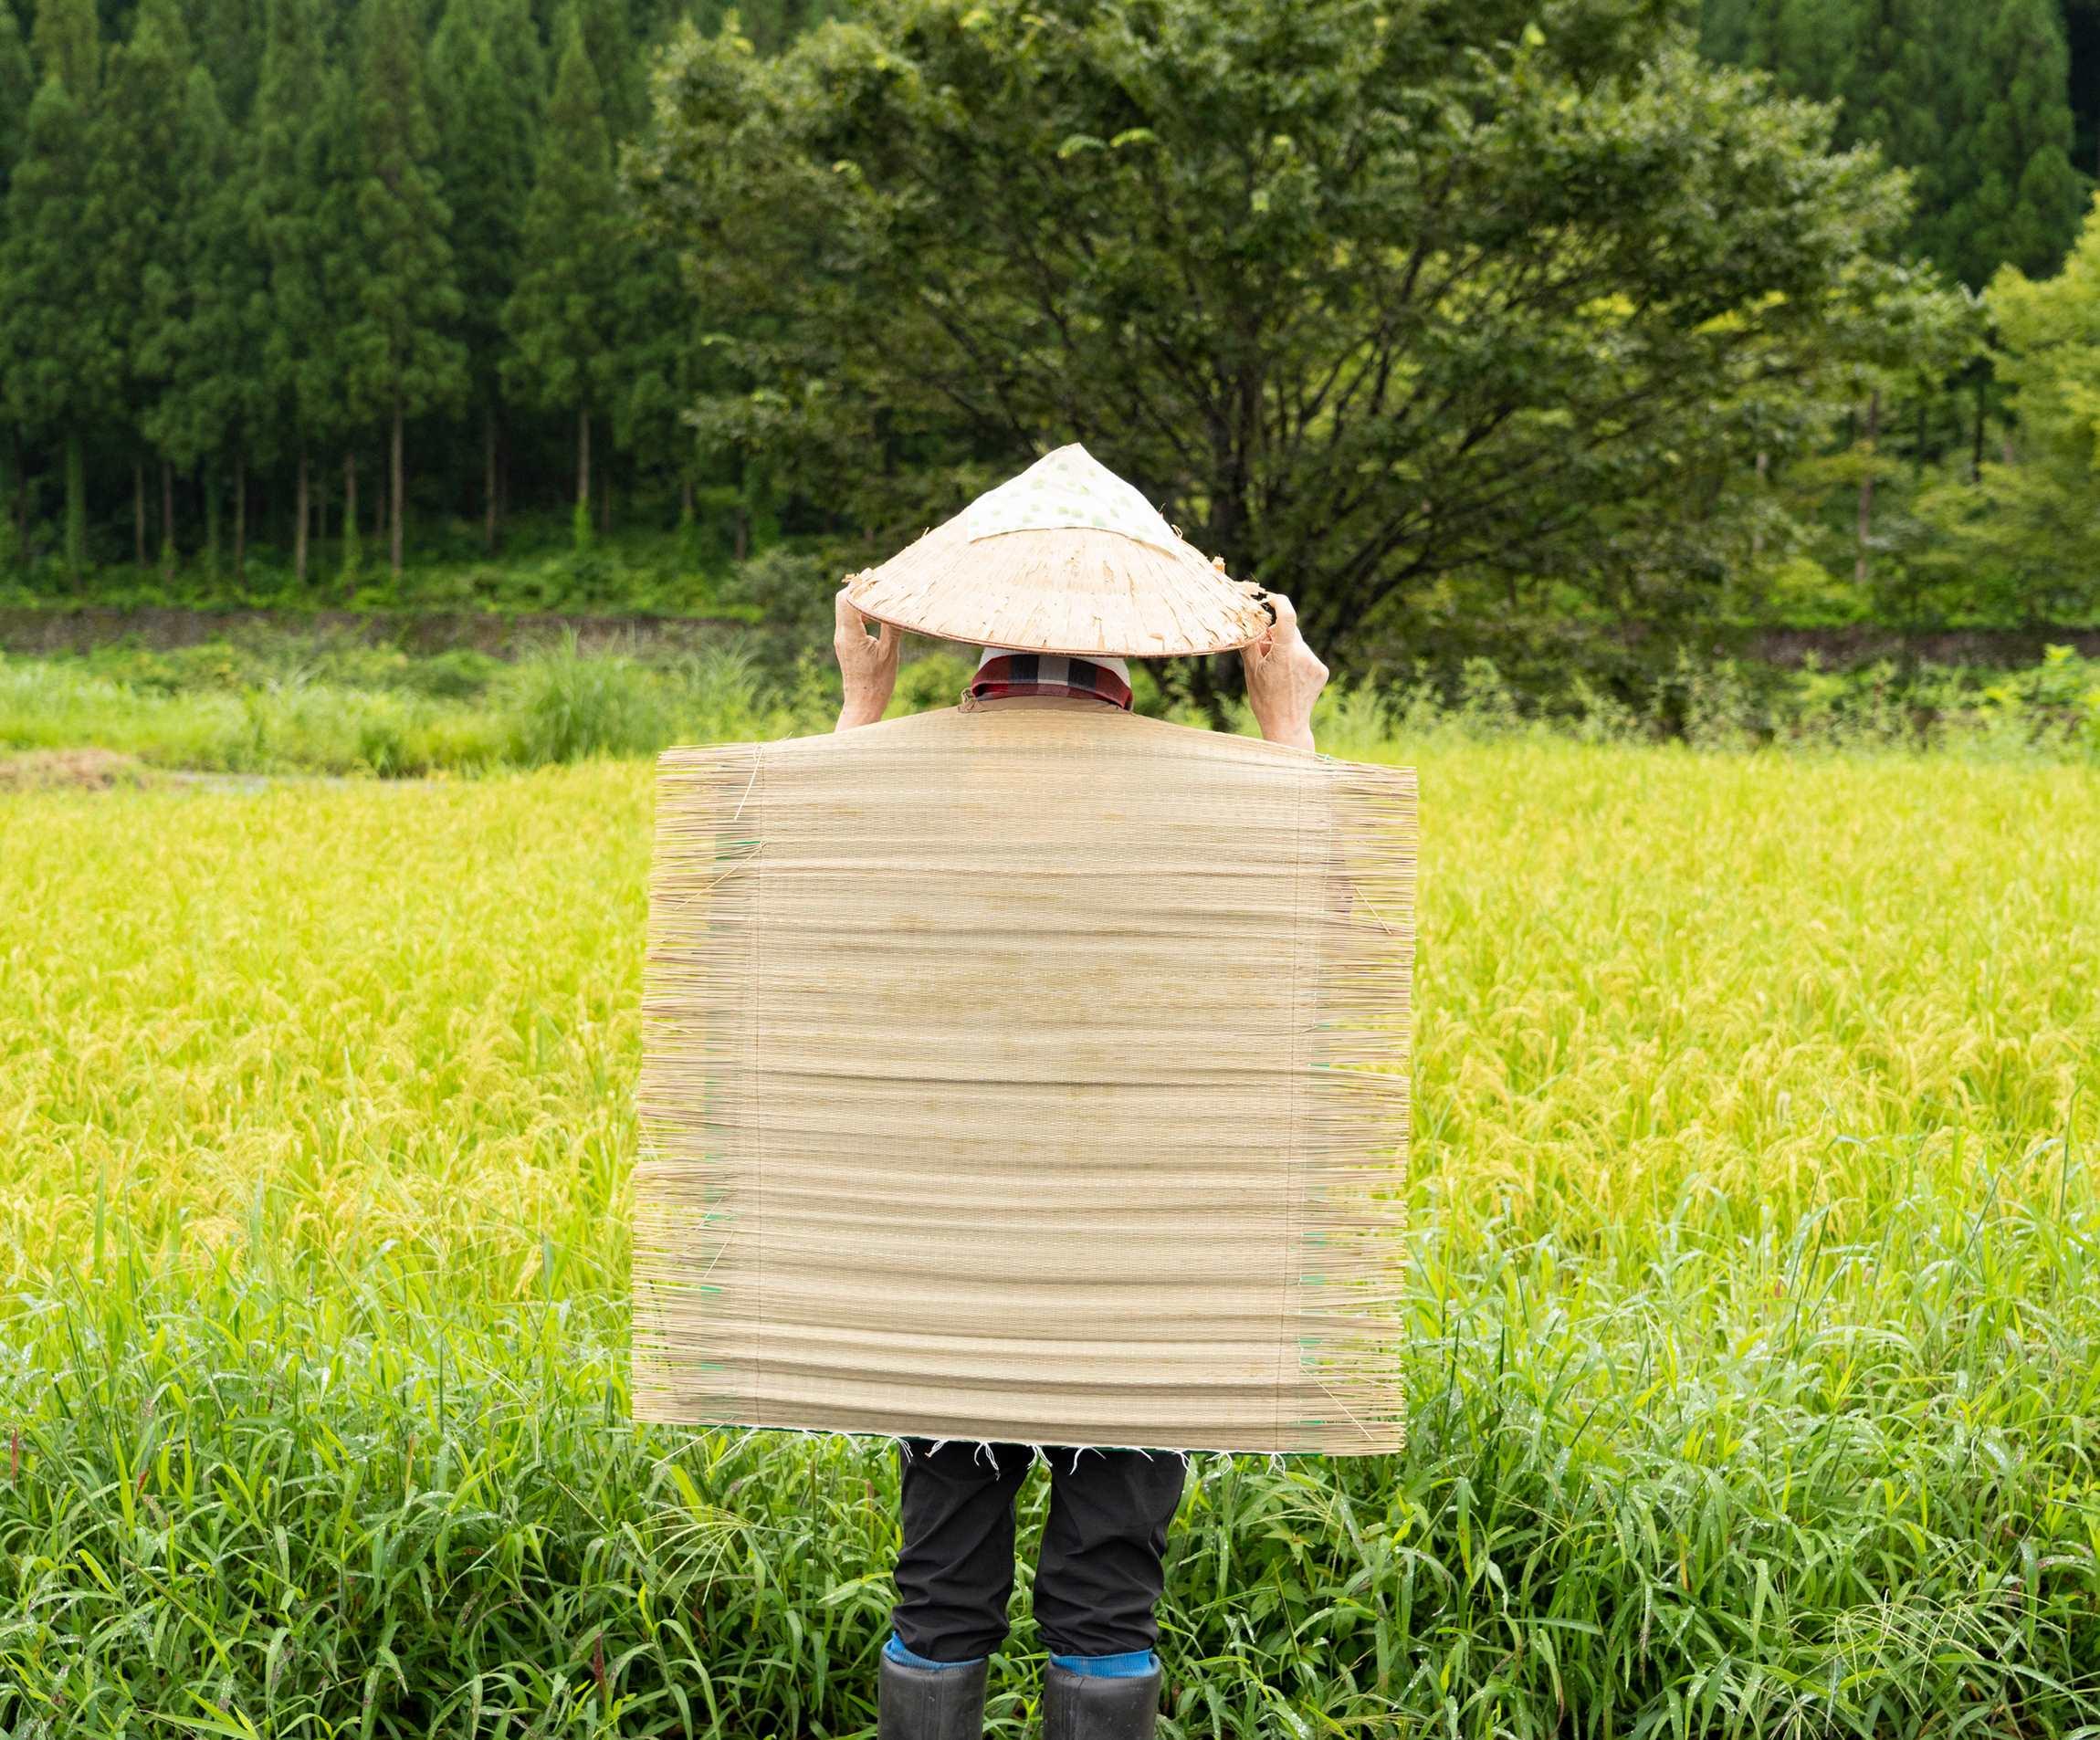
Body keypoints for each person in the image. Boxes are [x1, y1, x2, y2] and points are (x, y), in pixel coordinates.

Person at [831, 586, 1331, 1740]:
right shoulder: (1191, 831)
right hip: (1139, 1277)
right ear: (1124, 714)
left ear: (974, 703)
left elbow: (796, 890)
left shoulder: (919, 835)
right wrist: (1284, 723)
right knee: (1106, 1594)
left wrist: (863, 705)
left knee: (941, 1583)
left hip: (955, 1276)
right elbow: (1326, 924)